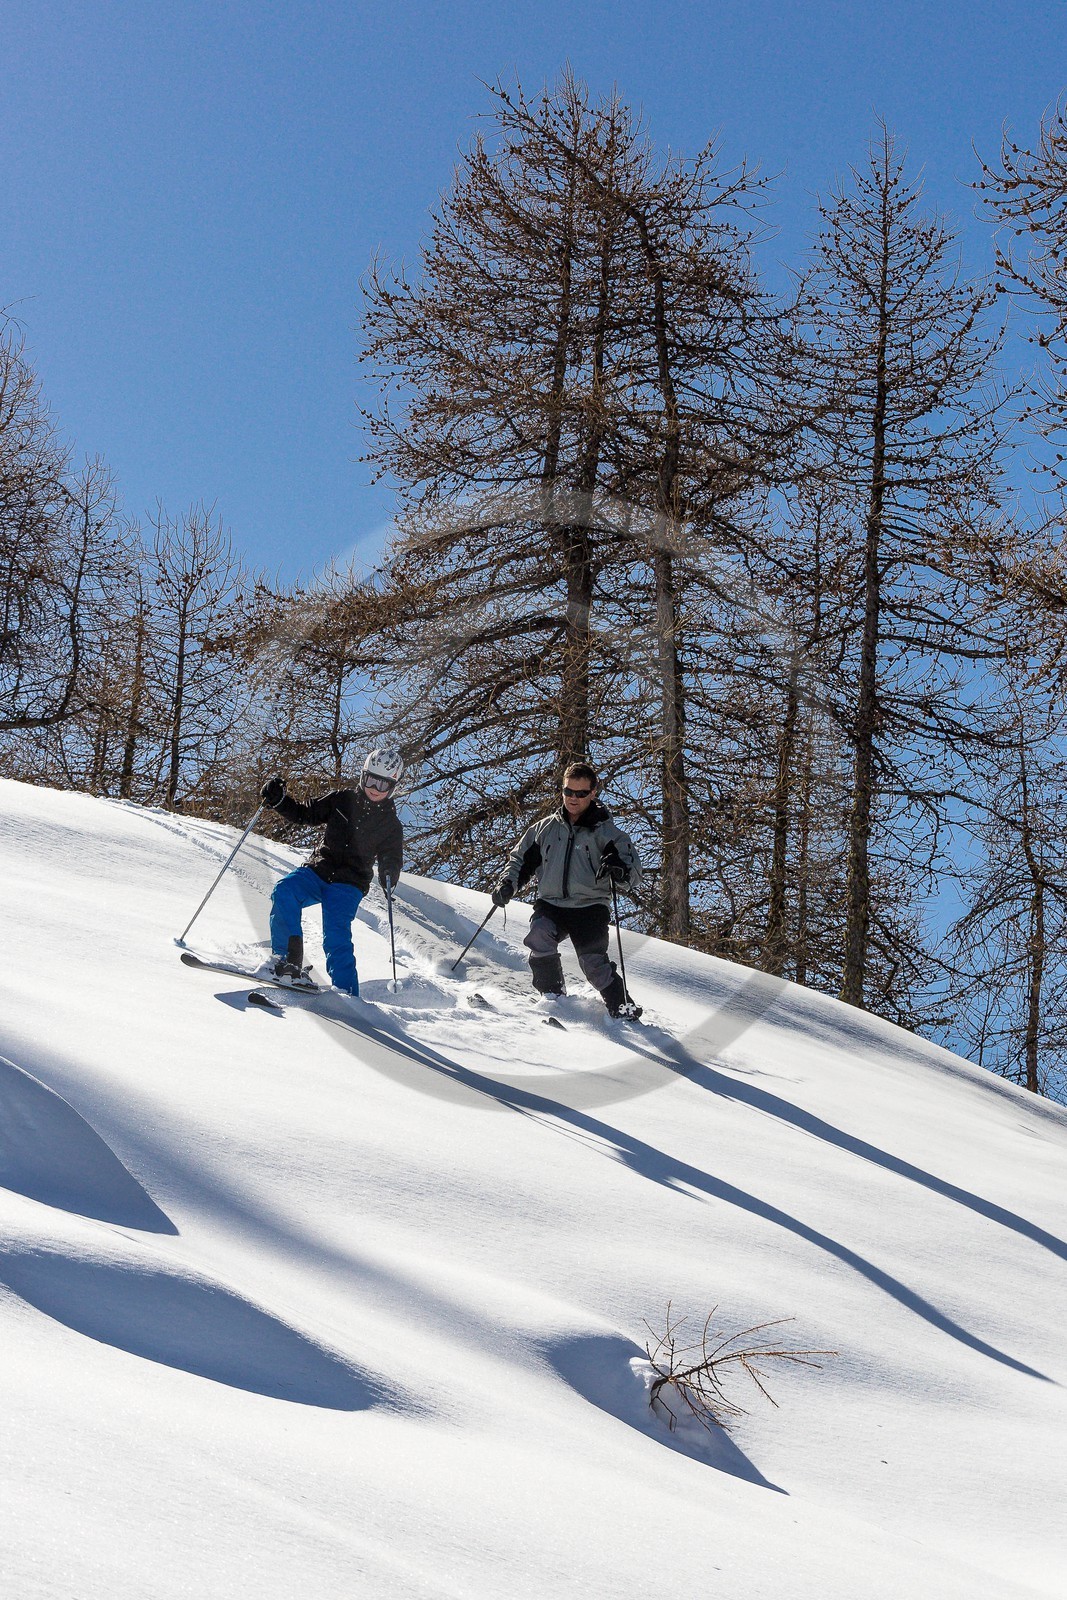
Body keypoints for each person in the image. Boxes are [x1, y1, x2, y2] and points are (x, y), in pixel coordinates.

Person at [492, 761, 643, 1019]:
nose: (573, 798)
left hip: (590, 906)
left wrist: (619, 870)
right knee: (539, 936)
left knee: (593, 964)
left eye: (581, 793)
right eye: (568, 792)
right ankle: (553, 998)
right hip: (551, 904)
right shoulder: (544, 829)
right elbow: (519, 861)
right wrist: (507, 884)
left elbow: (633, 874)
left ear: (593, 793)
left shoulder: (608, 834)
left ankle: (623, 1009)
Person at [259, 747, 404, 996]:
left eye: (383, 786)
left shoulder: (390, 824)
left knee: (336, 936)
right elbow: (306, 813)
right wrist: (280, 802)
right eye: (371, 780)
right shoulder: (341, 800)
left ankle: (347, 995)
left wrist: (389, 872)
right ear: (363, 776)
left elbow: (392, 856)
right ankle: (287, 962)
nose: (375, 789)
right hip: (319, 870)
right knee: (285, 891)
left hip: (349, 883)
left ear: (392, 788)